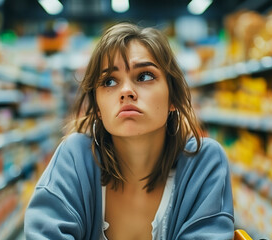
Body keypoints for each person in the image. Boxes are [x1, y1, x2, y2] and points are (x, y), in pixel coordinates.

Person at [24, 22, 234, 240]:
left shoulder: (202, 162)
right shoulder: (75, 158)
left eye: (144, 76)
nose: (126, 91)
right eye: (109, 81)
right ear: (97, 108)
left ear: (173, 97)